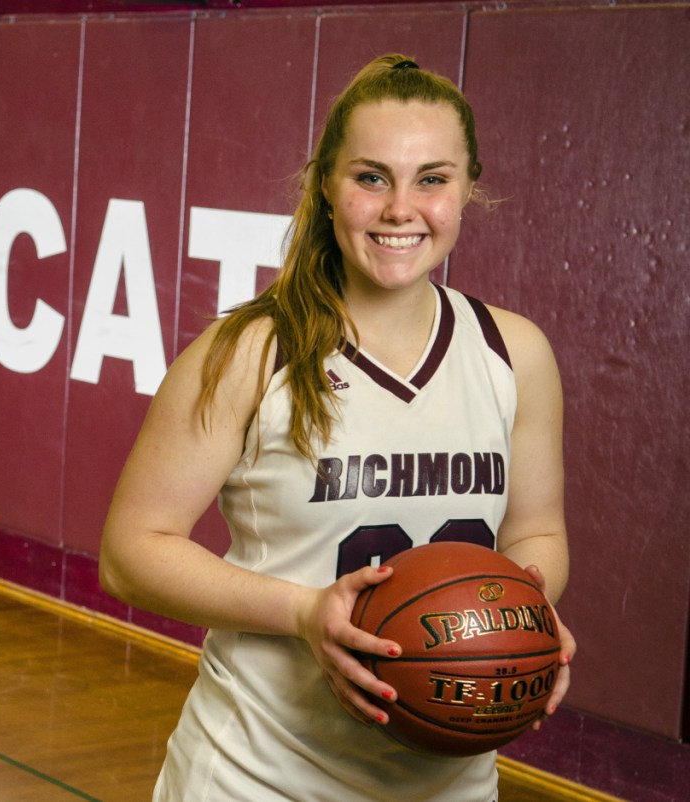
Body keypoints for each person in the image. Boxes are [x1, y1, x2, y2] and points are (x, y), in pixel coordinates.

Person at [99, 53, 576, 802]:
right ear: (326, 184)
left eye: (432, 179)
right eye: (371, 177)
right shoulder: (250, 354)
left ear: (467, 188)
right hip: (258, 776)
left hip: (451, 780)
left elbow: (537, 534)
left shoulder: (514, 353)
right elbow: (131, 553)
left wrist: (529, 621)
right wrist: (301, 612)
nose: (400, 209)